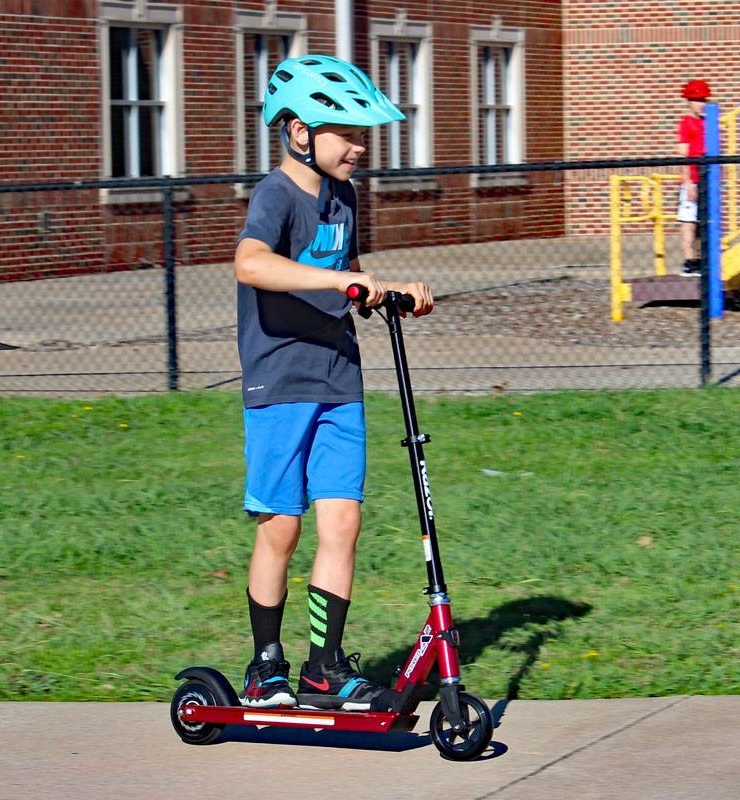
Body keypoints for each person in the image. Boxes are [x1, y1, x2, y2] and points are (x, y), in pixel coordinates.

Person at [233, 54, 434, 712]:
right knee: (282, 527)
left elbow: (350, 272)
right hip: (280, 381)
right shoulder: (276, 195)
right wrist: (335, 281)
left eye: (361, 132)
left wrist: (390, 291)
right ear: (298, 132)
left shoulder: (343, 197)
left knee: (342, 522)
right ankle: (267, 667)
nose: (359, 145)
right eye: (344, 131)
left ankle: (324, 668)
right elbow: (252, 264)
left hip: (339, 377)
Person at [677, 79, 711, 277]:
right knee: (689, 221)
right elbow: (683, 155)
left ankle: (699, 258)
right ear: (689, 102)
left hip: (706, 179)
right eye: (697, 100)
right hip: (693, 180)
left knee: (702, 222)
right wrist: (688, 183)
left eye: (703, 99)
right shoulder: (686, 123)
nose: (701, 103)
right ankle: (689, 261)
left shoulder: (707, 122)